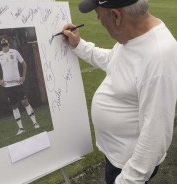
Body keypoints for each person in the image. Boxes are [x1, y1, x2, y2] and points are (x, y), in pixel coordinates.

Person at [62, 0, 177, 183]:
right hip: (117, 153)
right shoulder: (135, 37)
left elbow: (155, 135)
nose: (101, 22)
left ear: (116, 16)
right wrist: (79, 45)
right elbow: (113, 60)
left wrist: (127, 180)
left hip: (128, 165)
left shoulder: (158, 57)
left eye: (100, 18)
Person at [0, 37, 40, 135]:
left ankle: (35, 123)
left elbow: (24, 64)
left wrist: (23, 76)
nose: (4, 46)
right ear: (1, 46)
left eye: (5, 44)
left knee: (25, 102)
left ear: (8, 44)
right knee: (14, 106)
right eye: (3, 45)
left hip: (18, 83)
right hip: (8, 86)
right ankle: (21, 129)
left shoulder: (15, 52)